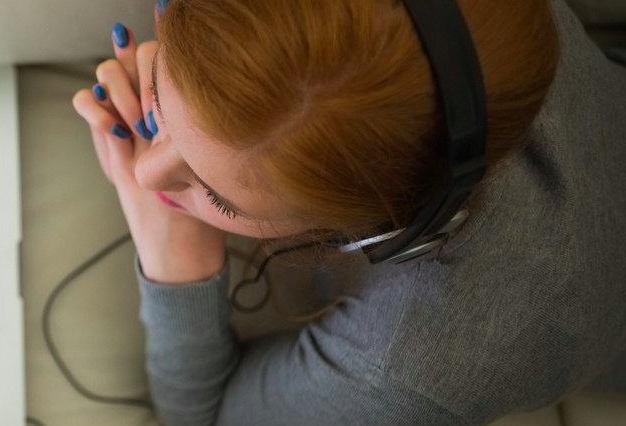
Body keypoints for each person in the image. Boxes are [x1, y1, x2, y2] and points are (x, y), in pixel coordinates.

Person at [71, 0, 626, 424]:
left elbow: (210, 418)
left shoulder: (417, 364)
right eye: (161, 104)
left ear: (375, 228)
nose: (143, 177)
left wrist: (174, 249)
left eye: (221, 197)